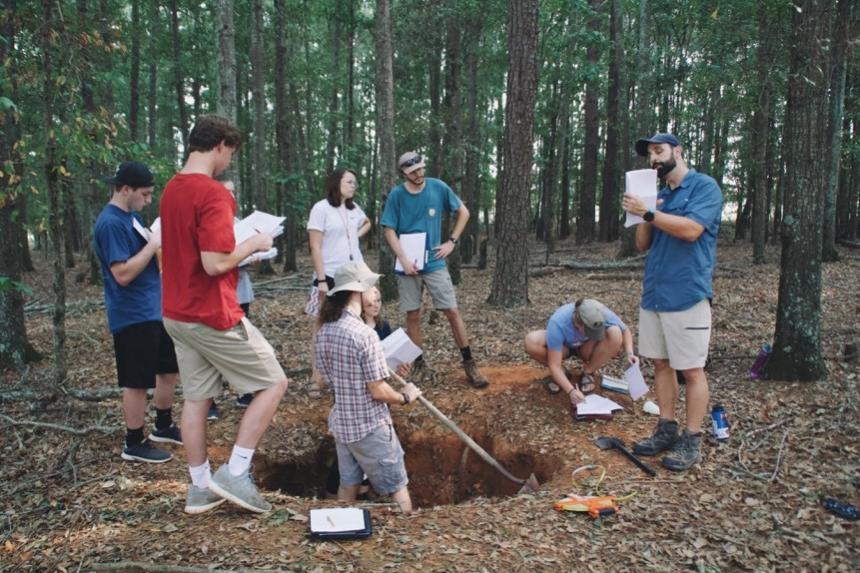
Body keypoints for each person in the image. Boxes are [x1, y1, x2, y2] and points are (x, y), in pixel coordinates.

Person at [160, 115, 289, 514]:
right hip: (211, 312)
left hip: (176, 312)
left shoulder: (171, 189)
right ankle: (235, 471)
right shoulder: (213, 193)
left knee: (197, 397)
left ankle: (200, 488)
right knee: (273, 383)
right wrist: (254, 243)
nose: (229, 161)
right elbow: (215, 263)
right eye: (230, 153)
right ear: (219, 145)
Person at [621, 133, 723, 471]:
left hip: (687, 294)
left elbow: (692, 230)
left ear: (677, 151)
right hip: (655, 293)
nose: (654, 158)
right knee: (661, 364)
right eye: (650, 154)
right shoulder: (659, 196)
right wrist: (640, 213)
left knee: (691, 369)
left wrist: (649, 213)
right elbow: (642, 245)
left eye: (659, 151)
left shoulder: (703, 187)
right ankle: (666, 428)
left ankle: (691, 438)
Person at [314, 261, 422, 513]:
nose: (375, 292)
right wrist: (405, 396)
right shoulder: (365, 335)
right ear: (357, 290)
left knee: (348, 485)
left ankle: (340, 528)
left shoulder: (325, 331)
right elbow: (377, 391)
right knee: (397, 486)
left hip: (343, 425)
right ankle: (409, 532)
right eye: (371, 286)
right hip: (370, 427)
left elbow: (328, 378)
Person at [93, 161, 182, 464]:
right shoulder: (110, 223)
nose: (147, 201)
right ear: (125, 189)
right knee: (137, 380)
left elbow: (145, 260)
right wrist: (152, 245)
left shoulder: (130, 217)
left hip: (154, 308)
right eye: (143, 194)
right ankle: (134, 442)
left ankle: (164, 424)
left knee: (167, 369)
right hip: (132, 314)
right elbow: (122, 274)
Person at [380, 151, 489, 388]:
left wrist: (452, 241)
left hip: (434, 261)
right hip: (407, 263)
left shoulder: (438, 187)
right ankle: (419, 363)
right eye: (413, 172)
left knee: (452, 311)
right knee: (413, 314)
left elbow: (464, 212)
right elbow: (388, 229)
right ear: (404, 174)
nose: (419, 174)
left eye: (421, 169)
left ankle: (469, 361)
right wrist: (404, 259)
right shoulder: (397, 196)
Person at [305, 168, 372, 384]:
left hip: (354, 272)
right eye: (350, 181)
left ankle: (352, 372)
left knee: (355, 320)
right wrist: (322, 279)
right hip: (330, 272)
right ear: (337, 183)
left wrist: (354, 235)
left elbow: (367, 222)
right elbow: (314, 246)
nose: (354, 185)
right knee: (323, 324)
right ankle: (318, 375)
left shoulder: (353, 208)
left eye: (355, 182)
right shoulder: (321, 208)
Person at [524, 299, 637, 402]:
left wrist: (629, 353)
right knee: (531, 341)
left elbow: (625, 330)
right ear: (578, 324)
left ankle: (588, 372)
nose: (593, 333)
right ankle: (563, 374)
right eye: (590, 331)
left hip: (586, 348)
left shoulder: (598, 311)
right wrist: (571, 391)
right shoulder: (558, 323)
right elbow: (554, 365)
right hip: (563, 348)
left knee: (615, 333)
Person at [208, 180, 255, 422]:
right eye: (226, 191)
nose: (230, 196)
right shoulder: (207, 222)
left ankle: (245, 391)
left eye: (233, 192)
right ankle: (210, 401)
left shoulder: (240, 225)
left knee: (243, 340)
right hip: (216, 295)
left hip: (240, 291)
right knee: (216, 345)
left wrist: (255, 253)